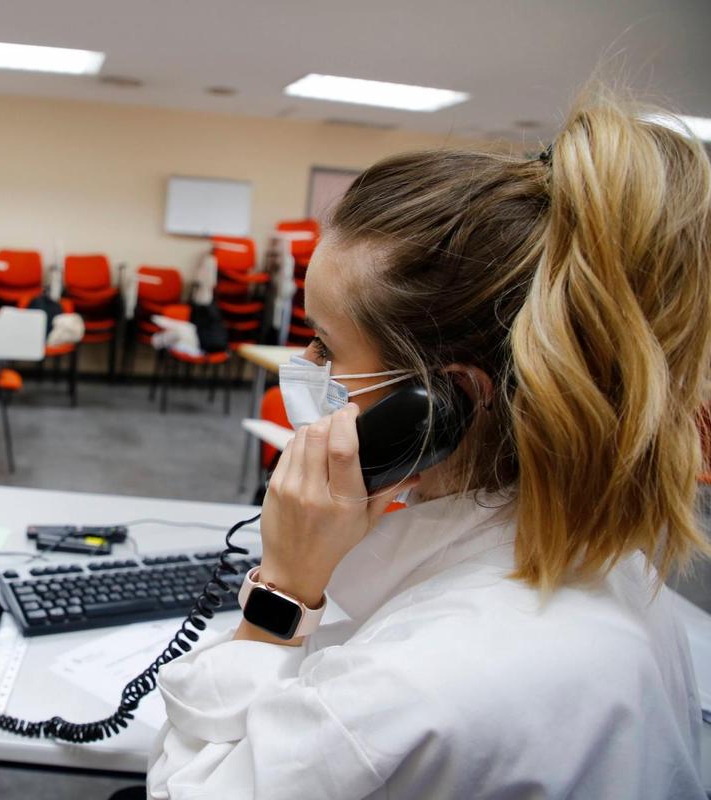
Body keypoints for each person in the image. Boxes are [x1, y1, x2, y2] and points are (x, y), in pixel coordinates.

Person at [146, 91, 711, 798]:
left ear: (442, 404)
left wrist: (283, 591)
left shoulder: (410, 689)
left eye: (324, 344)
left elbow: (183, 790)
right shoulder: (610, 564)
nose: (307, 368)